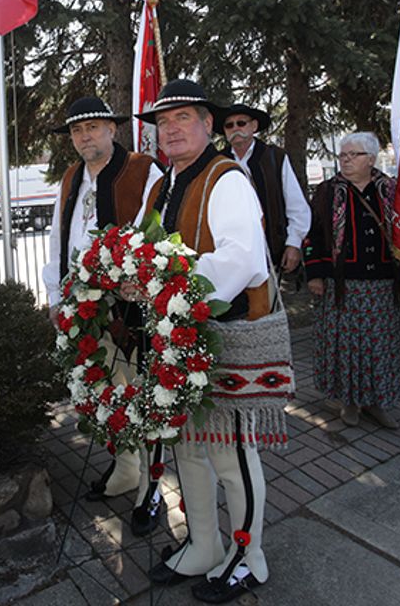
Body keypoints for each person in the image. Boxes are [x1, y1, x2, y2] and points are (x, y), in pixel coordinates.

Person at [135, 79, 275, 604]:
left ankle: (248, 556)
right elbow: (145, 249)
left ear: (208, 125)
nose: (170, 129)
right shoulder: (162, 185)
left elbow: (242, 260)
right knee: (188, 450)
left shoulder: (226, 178)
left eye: (183, 119)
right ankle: (203, 544)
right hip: (176, 337)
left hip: (223, 337)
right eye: (162, 122)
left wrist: (166, 281)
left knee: (232, 457)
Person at [41, 96, 163, 521]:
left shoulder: (144, 171)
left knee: (143, 396)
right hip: (83, 307)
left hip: (130, 307)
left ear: (113, 129)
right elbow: (58, 237)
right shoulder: (71, 176)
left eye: (93, 127)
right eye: (77, 130)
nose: (84, 136)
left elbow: (161, 235)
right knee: (106, 392)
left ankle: (152, 486)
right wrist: (57, 295)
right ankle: (127, 469)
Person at [303, 132, 400, 429]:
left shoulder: (390, 191)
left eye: (354, 155)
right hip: (342, 287)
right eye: (343, 156)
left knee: (378, 346)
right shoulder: (327, 191)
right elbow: (312, 236)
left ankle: (377, 402)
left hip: (383, 285)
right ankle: (349, 402)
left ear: (372, 159)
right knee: (348, 347)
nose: (346, 161)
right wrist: (315, 274)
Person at [217, 103, 311, 275]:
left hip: (270, 255)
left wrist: (293, 243)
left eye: (241, 123)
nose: (235, 128)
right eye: (229, 125)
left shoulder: (275, 157)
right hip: (228, 258)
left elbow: (296, 205)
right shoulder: (217, 163)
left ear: (254, 126)